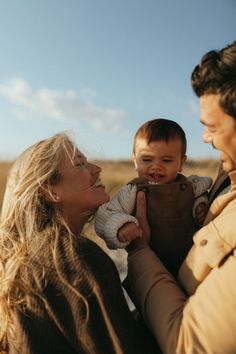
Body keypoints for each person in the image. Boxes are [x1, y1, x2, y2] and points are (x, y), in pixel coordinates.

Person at [0, 133, 156, 354]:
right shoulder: (72, 257)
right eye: (80, 163)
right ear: (50, 190)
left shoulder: (34, 253)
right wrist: (142, 251)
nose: (96, 169)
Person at [127, 41, 236, 354]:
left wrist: (138, 250)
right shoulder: (225, 176)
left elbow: (186, 343)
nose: (205, 138)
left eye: (212, 126)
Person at [95, 118, 212, 276]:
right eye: (147, 159)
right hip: (148, 265)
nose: (156, 166)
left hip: (191, 263)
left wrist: (200, 206)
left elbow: (201, 196)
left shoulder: (190, 186)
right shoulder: (133, 191)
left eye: (167, 160)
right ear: (135, 161)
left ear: (181, 163)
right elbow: (105, 214)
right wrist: (122, 226)